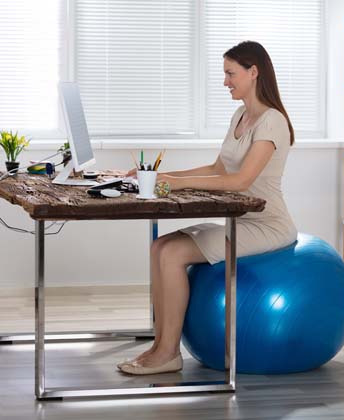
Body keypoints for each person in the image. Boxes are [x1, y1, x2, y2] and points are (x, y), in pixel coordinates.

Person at [118, 40, 297, 375]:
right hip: (241, 221)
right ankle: (159, 345)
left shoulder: (271, 122)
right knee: (160, 246)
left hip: (266, 225)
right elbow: (218, 168)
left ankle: (169, 354)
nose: (225, 81)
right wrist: (160, 175)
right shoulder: (241, 115)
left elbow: (240, 180)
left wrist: (177, 184)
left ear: (253, 72)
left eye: (231, 73)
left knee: (173, 254)